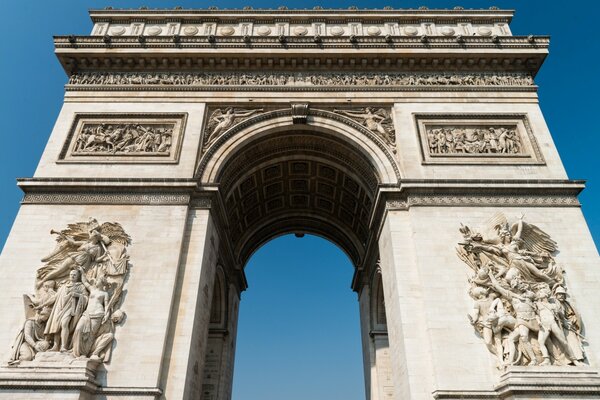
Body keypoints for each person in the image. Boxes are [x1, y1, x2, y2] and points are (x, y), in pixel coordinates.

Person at [44, 269, 88, 352]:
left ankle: (63, 346)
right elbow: (55, 297)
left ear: (78, 276)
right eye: (71, 274)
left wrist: (78, 295)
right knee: (57, 326)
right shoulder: (64, 286)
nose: (72, 276)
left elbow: (86, 297)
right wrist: (42, 305)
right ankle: (56, 346)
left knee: (64, 323)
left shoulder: (80, 286)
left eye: (74, 275)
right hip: (59, 308)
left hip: (71, 308)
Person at [72, 271, 110, 357]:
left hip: (98, 315)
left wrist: (107, 314)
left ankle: (84, 353)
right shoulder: (92, 289)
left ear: (102, 282)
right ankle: (76, 352)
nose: (96, 281)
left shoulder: (104, 293)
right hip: (87, 314)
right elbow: (85, 282)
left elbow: (107, 305)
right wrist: (81, 272)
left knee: (90, 335)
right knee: (78, 329)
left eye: (98, 280)